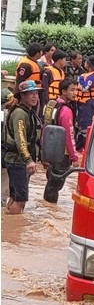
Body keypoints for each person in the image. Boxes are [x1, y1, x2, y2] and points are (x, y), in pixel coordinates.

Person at [2, 80, 42, 214]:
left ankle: (8, 227)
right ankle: (14, 231)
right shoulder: (20, 113)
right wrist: (28, 160)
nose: (35, 96)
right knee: (20, 199)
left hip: (16, 160)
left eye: (36, 93)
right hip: (17, 161)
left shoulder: (27, 112)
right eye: (31, 93)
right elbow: (21, 140)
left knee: (15, 196)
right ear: (22, 96)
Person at [43, 79, 80, 203]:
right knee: (55, 186)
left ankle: (47, 207)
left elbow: (44, 127)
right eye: (72, 90)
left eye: (76, 90)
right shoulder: (66, 111)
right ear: (64, 91)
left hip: (49, 150)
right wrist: (74, 157)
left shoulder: (51, 105)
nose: (75, 93)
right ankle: (50, 209)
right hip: (61, 154)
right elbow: (69, 135)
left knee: (50, 183)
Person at [77, 55, 94, 150]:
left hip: (87, 103)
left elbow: (84, 88)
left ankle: (85, 146)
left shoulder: (92, 76)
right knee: (84, 125)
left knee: (85, 125)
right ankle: (81, 144)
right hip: (93, 101)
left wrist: (80, 80)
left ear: (89, 64)